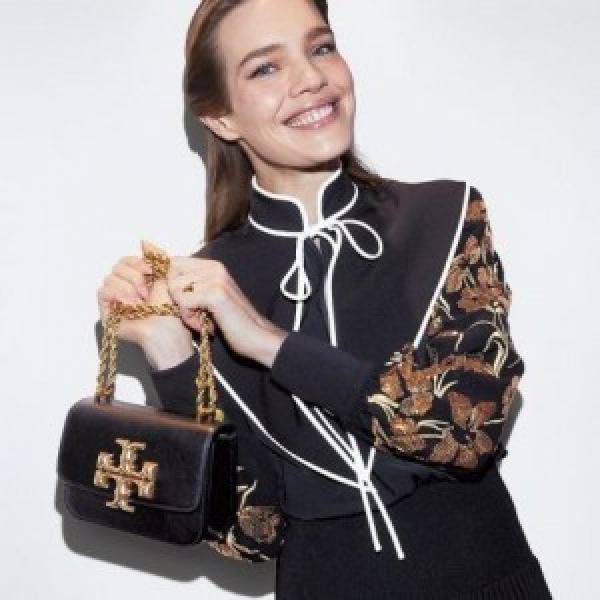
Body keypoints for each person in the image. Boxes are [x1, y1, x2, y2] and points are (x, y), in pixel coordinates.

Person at [98, 0, 553, 597]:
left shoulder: (444, 218)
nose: (311, 77)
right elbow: (253, 530)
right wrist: (170, 353)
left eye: (321, 48)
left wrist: (268, 342)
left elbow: (467, 429)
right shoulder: (201, 290)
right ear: (220, 117)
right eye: (265, 67)